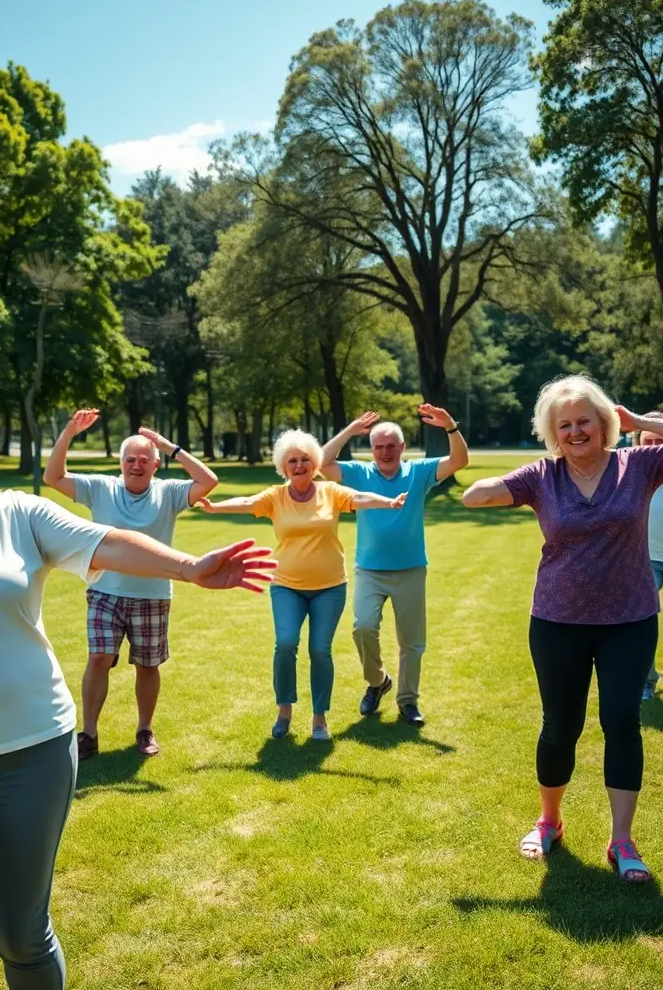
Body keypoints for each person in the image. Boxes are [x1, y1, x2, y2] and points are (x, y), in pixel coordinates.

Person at [0, 372, 275, 990]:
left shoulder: (16, 514)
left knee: (18, 930)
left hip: (30, 755)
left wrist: (190, 568)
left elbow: (107, 542)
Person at [462, 374, 663, 883]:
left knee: (621, 720)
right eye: (564, 425)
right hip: (557, 621)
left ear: (604, 423)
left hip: (629, 619)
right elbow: (473, 495)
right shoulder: (542, 477)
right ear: (553, 433)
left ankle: (622, 840)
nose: (575, 432)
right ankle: (549, 821)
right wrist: (492, 487)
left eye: (584, 421)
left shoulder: (639, 464)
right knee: (560, 727)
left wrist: (641, 423)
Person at [197, 429, 407, 740]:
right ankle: (284, 711)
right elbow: (248, 501)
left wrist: (388, 502)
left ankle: (319, 719)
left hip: (330, 587)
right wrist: (216, 507)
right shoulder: (275, 497)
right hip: (286, 585)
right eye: (292, 461)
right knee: (285, 644)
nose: (299, 465)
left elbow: (359, 497)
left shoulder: (330, 492)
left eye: (305, 459)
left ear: (315, 463)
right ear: (284, 467)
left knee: (320, 650)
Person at [44, 411, 218, 760]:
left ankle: (144, 729)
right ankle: (89, 733)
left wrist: (169, 447)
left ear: (155, 465)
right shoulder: (100, 488)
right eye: (129, 459)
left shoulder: (169, 493)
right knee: (98, 658)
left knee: (147, 665)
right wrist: (69, 431)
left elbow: (208, 481)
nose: (136, 465)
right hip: (105, 592)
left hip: (152, 596)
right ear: (120, 464)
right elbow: (53, 477)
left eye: (144, 460)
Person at [321, 406, 468, 725]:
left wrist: (451, 427)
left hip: (411, 569)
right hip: (369, 571)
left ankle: (408, 701)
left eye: (391, 446)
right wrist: (349, 430)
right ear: (370, 449)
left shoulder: (419, 471)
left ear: (403, 447)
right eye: (378, 446)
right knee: (363, 628)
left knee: (412, 642)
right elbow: (322, 464)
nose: (385, 452)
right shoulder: (359, 473)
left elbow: (458, 461)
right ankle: (377, 682)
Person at [635, 412, 663, 701]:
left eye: (659, 441)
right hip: (644, 560)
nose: (654, 447)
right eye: (648, 441)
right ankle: (646, 681)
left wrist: (641, 422)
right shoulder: (628, 471)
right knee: (640, 622)